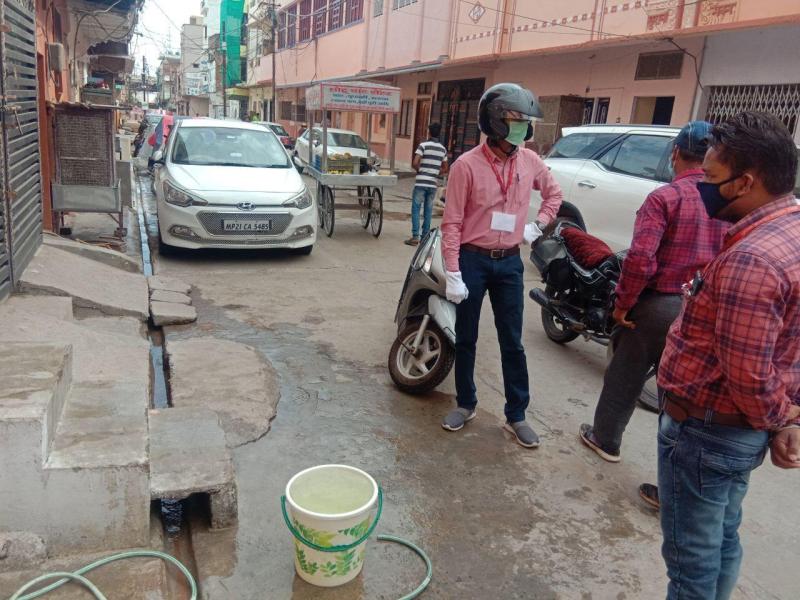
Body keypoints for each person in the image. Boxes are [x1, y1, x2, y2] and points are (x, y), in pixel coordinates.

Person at [654, 111, 800, 600]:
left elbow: (751, 375)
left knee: (691, 562)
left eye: (712, 178)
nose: (701, 186)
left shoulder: (751, 259)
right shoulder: (790, 232)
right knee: (721, 541)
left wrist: (779, 418)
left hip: (707, 432)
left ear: (746, 183)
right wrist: (784, 421)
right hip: (732, 436)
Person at [579, 121, 728, 464]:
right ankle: (676, 476)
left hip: (659, 306)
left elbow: (641, 259)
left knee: (625, 375)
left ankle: (605, 439)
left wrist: (623, 304)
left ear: (676, 153)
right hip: (702, 310)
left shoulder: (665, 198)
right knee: (681, 398)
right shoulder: (728, 202)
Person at [440, 83, 563, 448]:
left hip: (509, 262)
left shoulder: (530, 161)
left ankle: (516, 414)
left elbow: (554, 194)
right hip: (473, 259)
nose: (522, 127)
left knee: (513, 340)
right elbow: (452, 222)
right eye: (515, 119)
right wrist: (453, 271)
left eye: (525, 121)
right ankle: (465, 403)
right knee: (466, 337)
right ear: (494, 121)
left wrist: (538, 224)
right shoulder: (466, 166)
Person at [405, 122, 449, 246]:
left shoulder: (423, 145)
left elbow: (415, 163)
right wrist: (435, 172)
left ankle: (415, 237)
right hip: (432, 184)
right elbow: (446, 168)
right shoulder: (443, 149)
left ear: (429, 132)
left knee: (416, 208)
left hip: (421, 182)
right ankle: (425, 237)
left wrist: (421, 170)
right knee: (428, 210)